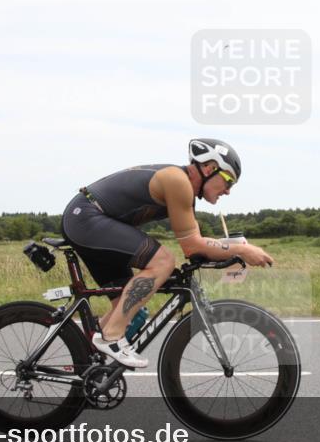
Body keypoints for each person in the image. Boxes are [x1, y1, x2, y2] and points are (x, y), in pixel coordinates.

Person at [60, 138, 275, 368]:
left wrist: (231, 248)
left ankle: (86, 365)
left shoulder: (185, 190)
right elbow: (192, 246)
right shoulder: (178, 181)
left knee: (130, 309)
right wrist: (242, 249)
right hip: (87, 218)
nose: (229, 191)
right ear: (209, 168)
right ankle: (111, 338)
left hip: (89, 219)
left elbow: (196, 243)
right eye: (228, 181)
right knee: (162, 262)